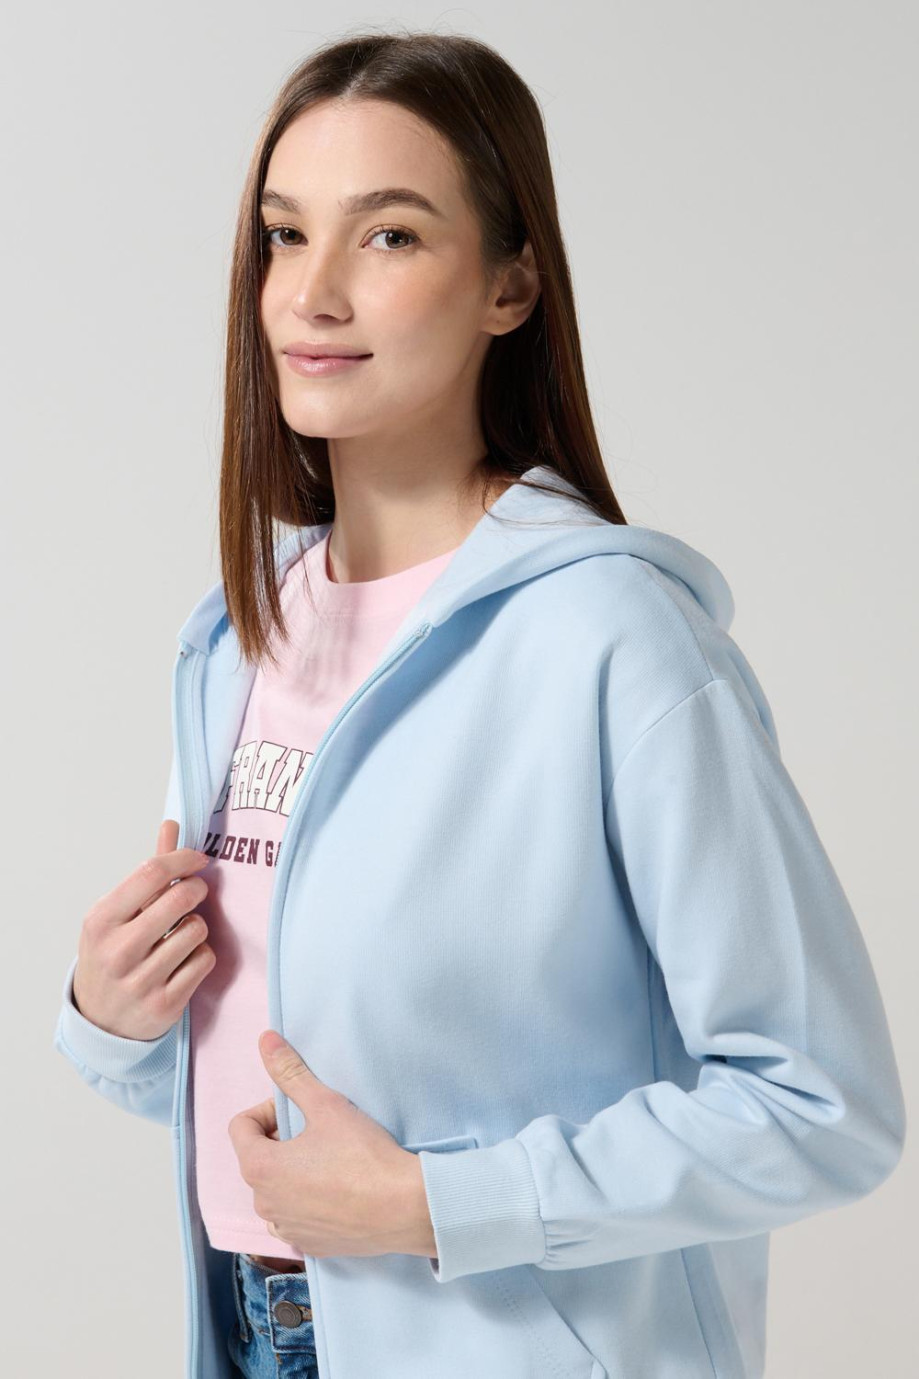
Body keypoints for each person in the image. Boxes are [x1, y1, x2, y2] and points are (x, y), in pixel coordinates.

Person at [52, 29, 906, 1379]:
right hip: (254, 1334)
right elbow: (300, 1063)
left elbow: (822, 1107)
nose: (313, 293)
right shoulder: (237, 638)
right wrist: (113, 1017)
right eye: (285, 235)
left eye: (389, 236)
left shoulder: (614, 639)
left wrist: (438, 1206)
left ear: (510, 285)